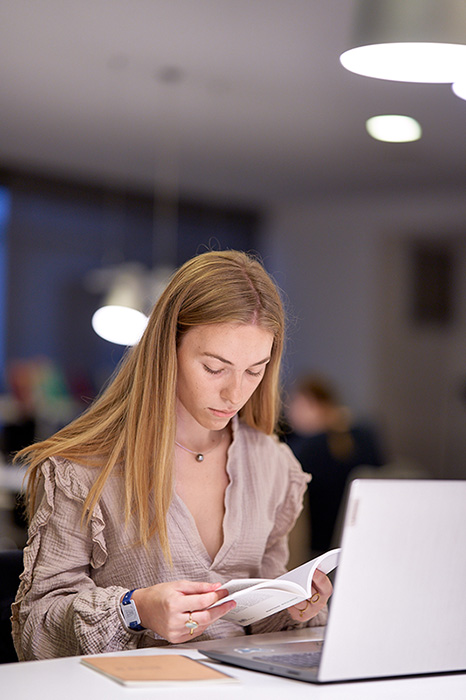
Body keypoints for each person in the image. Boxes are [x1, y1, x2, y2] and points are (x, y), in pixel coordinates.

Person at [12, 250, 332, 660]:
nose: (235, 393)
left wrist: (294, 609)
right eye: (215, 368)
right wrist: (135, 609)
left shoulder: (273, 465)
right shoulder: (83, 469)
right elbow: (35, 631)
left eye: (255, 370)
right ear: (168, 349)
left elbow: (256, 622)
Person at [284, 374, 385, 555]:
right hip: (364, 539)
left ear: (316, 406)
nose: (290, 412)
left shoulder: (306, 449)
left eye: (296, 404)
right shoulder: (364, 437)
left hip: (316, 547)